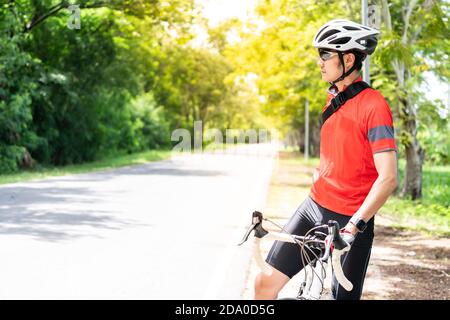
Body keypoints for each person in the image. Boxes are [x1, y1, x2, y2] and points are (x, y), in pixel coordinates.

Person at [254, 19, 398, 300]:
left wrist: (354, 226)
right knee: (264, 284)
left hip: (350, 221)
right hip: (313, 208)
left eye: (325, 54)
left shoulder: (374, 106)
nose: (319, 62)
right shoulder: (333, 101)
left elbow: (389, 177)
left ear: (347, 58)